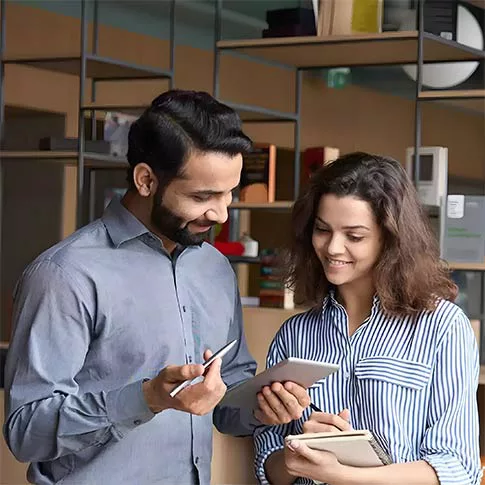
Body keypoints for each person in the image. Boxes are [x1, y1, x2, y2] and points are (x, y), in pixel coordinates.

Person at [3, 90, 310, 485]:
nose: (220, 213)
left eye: (229, 193)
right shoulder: (65, 274)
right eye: (203, 196)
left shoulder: (214, 269)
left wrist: (264, 407)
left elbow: (226, 406)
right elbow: (26, 432)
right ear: (146, 179)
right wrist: (146, 398)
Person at [254, 152, 482, 485]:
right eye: (322, 230)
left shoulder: (443, 327)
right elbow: (268, 465)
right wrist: (294, 457)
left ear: (390, 239)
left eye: (354, 236)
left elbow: (457, 468)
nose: (333, 248)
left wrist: (342, 475)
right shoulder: (295, 335)